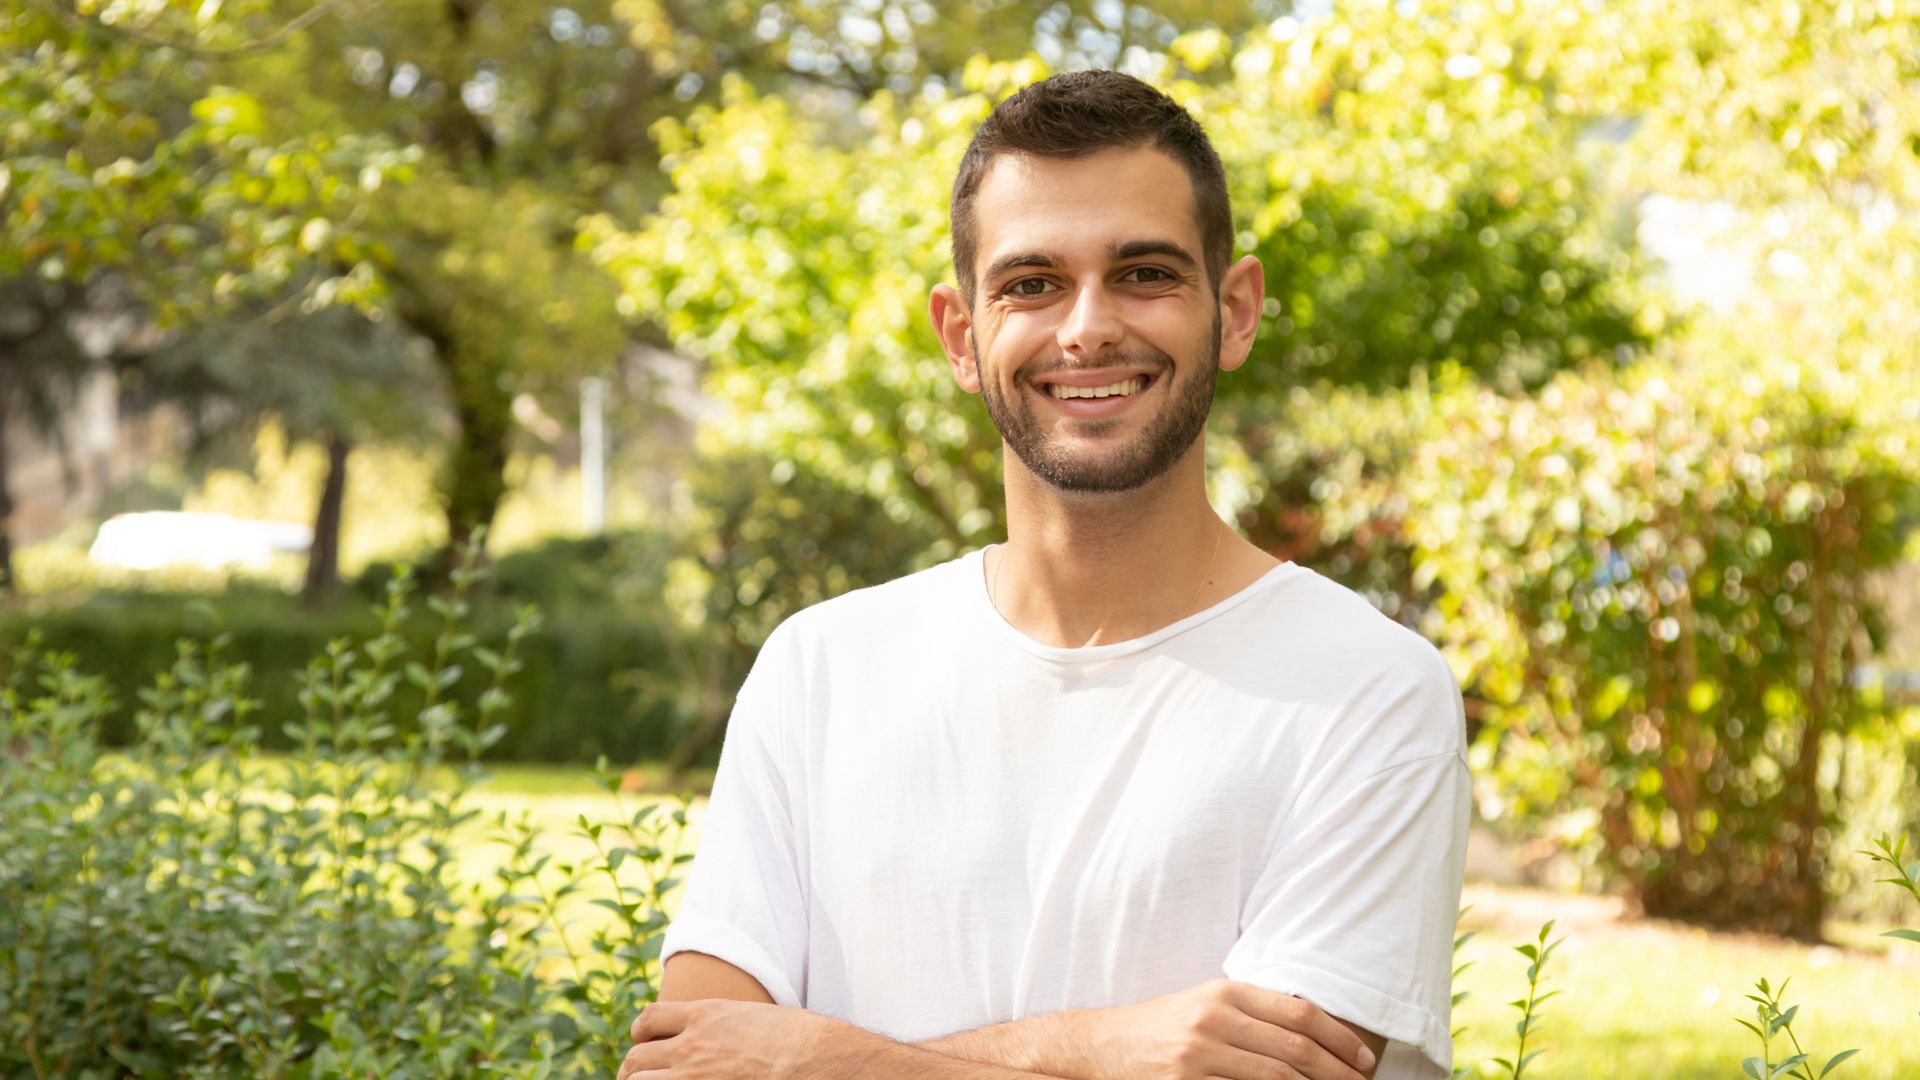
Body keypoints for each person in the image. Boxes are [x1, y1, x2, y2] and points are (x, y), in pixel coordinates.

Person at [618, 69, 1470, 1080]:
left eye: (1146, 273)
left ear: (1236, 312)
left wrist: (823, 1061)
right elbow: (694, 1064)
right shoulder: (821, 670)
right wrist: (1105, 1048)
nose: (1087, 328)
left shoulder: (1366, 691)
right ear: (960, 336)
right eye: (1031, 284)